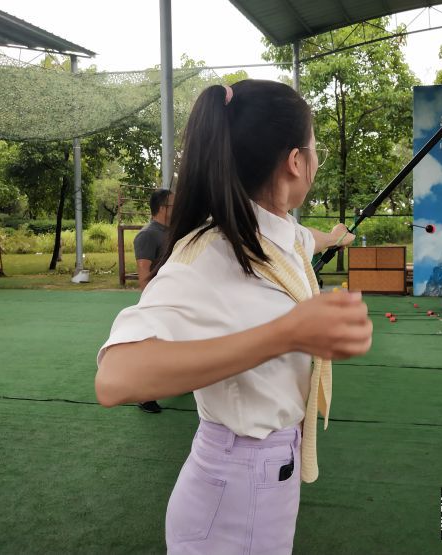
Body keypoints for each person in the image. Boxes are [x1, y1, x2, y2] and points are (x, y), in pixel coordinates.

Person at [95, 80, 373, 555]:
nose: (315, 161)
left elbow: (305, 239)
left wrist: (335, 237)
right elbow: (116, 379)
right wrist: (286, 334)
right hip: (234, 495)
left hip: (267, 477)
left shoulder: (278, 235)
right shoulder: (210, 254)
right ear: (295, 161)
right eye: (315, 150)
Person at [132, 188, 174, 413]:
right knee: (154, 351)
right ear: (162, 208)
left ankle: (179, 382)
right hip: (157, 301)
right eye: (174, 205)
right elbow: (143, 272)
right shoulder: (148, 234)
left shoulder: (170, 232)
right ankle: (144, 395)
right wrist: (150, 305)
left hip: (172, 298)